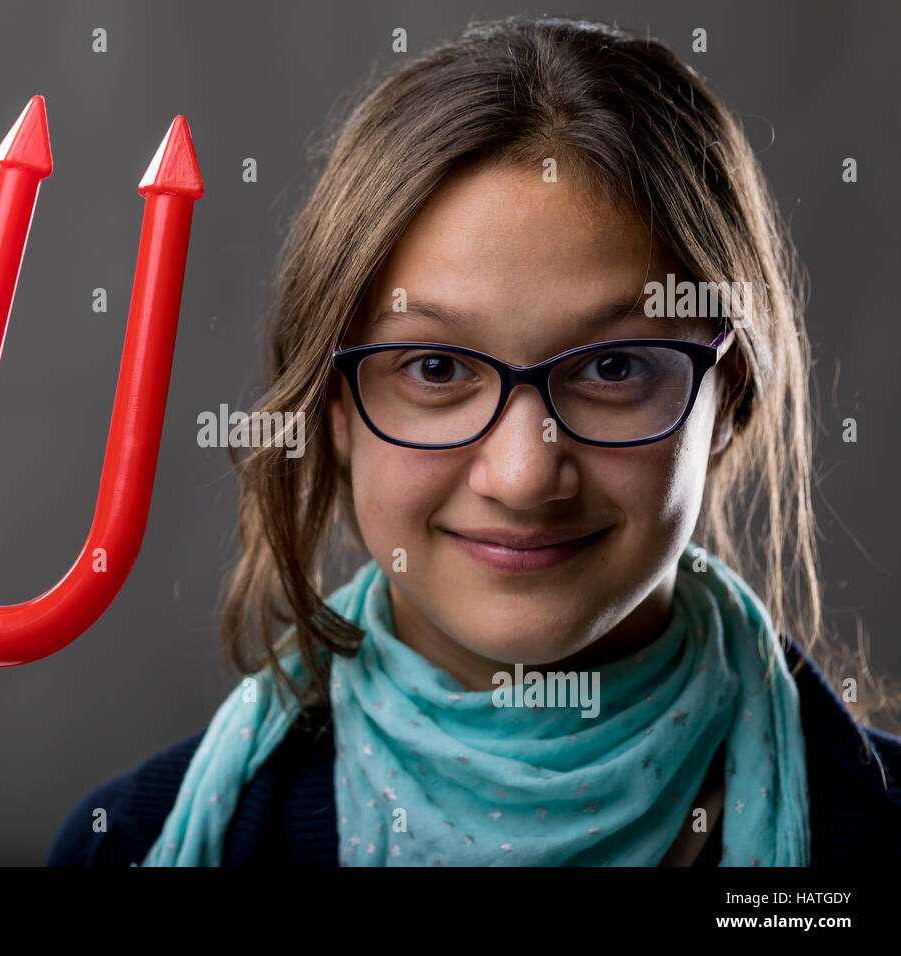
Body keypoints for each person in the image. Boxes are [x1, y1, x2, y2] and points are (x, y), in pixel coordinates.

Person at [47, 15, 901, 866]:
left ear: (729, 394)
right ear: (333, 407)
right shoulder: (127, 845)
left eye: (612, 368)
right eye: (434, 368)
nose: (524, 476)